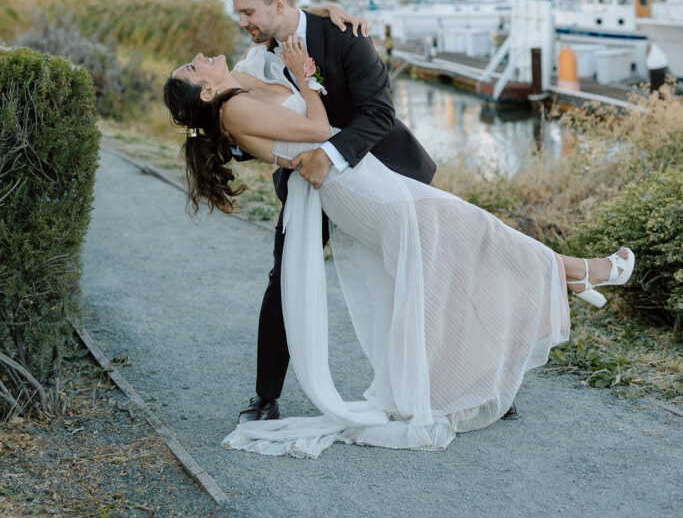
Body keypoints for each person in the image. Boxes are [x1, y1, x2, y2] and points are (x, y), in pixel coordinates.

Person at [163, 33, 635, 458]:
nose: (200, 55)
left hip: (363, 181)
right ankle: (582, 272)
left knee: (469, 244)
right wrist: (307, 77)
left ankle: (567, 280)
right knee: (477, 234)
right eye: (192, 65)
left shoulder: (239, 89)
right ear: (206, 91)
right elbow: (317, 130)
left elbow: (265, 49)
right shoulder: (234, 108)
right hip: (360, 189)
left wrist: (331, 20)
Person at [228, 0, 437, 422]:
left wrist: (331, 155)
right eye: (239, 14)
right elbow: (252, 122)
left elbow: (380, 114)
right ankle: (266, 398)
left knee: (416, 280)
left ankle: (462, 386)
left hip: (384, 173)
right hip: (307, 187)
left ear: (278, 3)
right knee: (283, 278)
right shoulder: (256, 58)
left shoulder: (345, 35)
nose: (242, 22)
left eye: (248, 13)